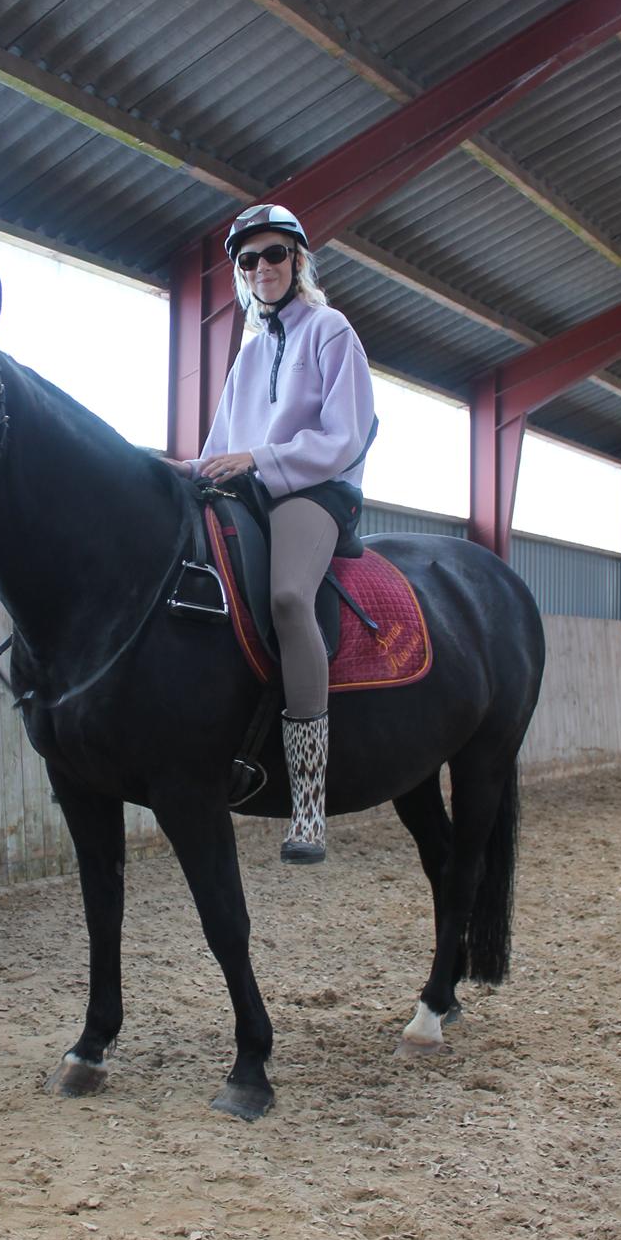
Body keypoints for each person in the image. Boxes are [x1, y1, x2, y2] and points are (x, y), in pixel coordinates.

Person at [172, 203, 377, 864]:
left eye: (273, 255)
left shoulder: (331, 330)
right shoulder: (250, 353)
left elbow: (344, 435)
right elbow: (219, 446)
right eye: (248, 260)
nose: (261, 267)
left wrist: (260, 460)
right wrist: (176, 471)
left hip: (316, 487)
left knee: (288, 596)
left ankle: (310, 807)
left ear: (297, 261)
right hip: (250, 487)